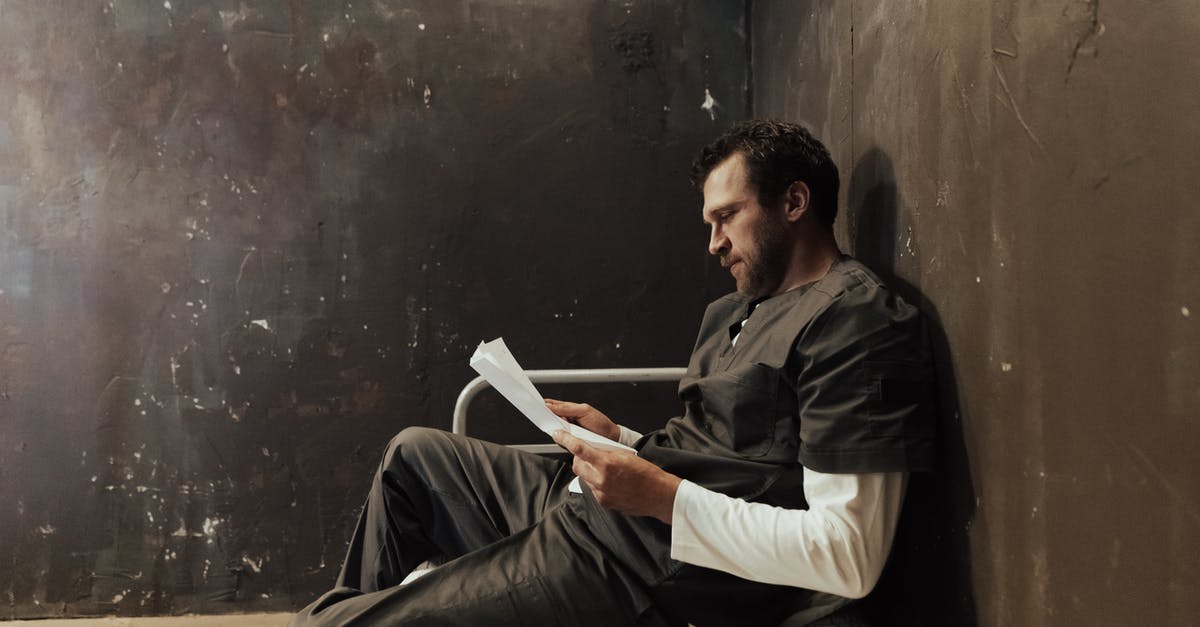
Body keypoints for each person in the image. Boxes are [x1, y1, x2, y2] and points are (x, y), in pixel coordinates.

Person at [290, 120, 935, 626]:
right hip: (599, 507)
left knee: (331, 625)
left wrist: (656, 495)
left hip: (638, 564)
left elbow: (849, 555)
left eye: (726, 217)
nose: (712, 242)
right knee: (412, 460)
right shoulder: (736, 310)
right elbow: (720, 447)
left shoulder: (854, 324)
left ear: (794, 201)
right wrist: (621, 440)